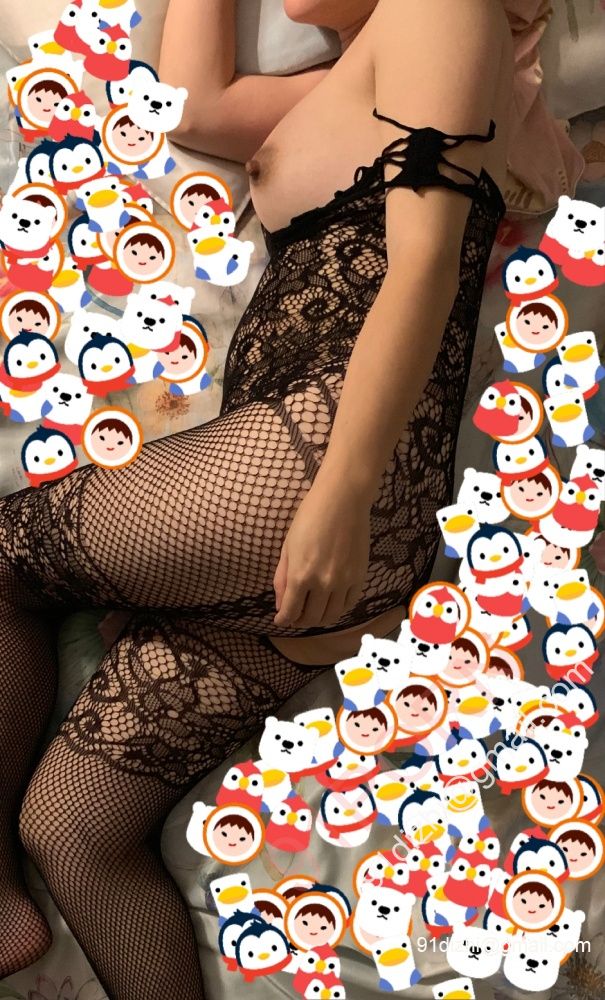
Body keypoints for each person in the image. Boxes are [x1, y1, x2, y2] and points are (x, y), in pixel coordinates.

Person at [0, 0, 513, 997]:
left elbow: (419, 266)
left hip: (318, 477)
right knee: (71, 833)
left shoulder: (440, 12)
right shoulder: (337, 86)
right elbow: (193, 102)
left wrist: (340, 498)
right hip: (297, 524)